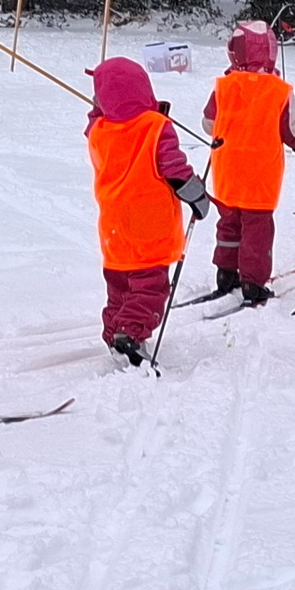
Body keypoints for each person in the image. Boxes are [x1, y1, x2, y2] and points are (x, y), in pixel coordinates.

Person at [87, 56, 208, 363]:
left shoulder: (99, 130)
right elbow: (174, 168)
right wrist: (197, 196)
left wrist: (104, 106)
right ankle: (130, 331)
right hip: (148, 225)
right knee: (149, 287)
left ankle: (115, 330)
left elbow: (96, 118)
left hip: (114, 225)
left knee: (120, 285)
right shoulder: (155, 127)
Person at [203, 21, 295, 305]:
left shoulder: (224, 86)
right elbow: (290, 131)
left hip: (228, 169)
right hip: (261, 173)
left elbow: (208, 123)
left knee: (229, 222)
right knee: (257, 228)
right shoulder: (278, 90)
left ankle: (225, 272)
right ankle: (252, 282)